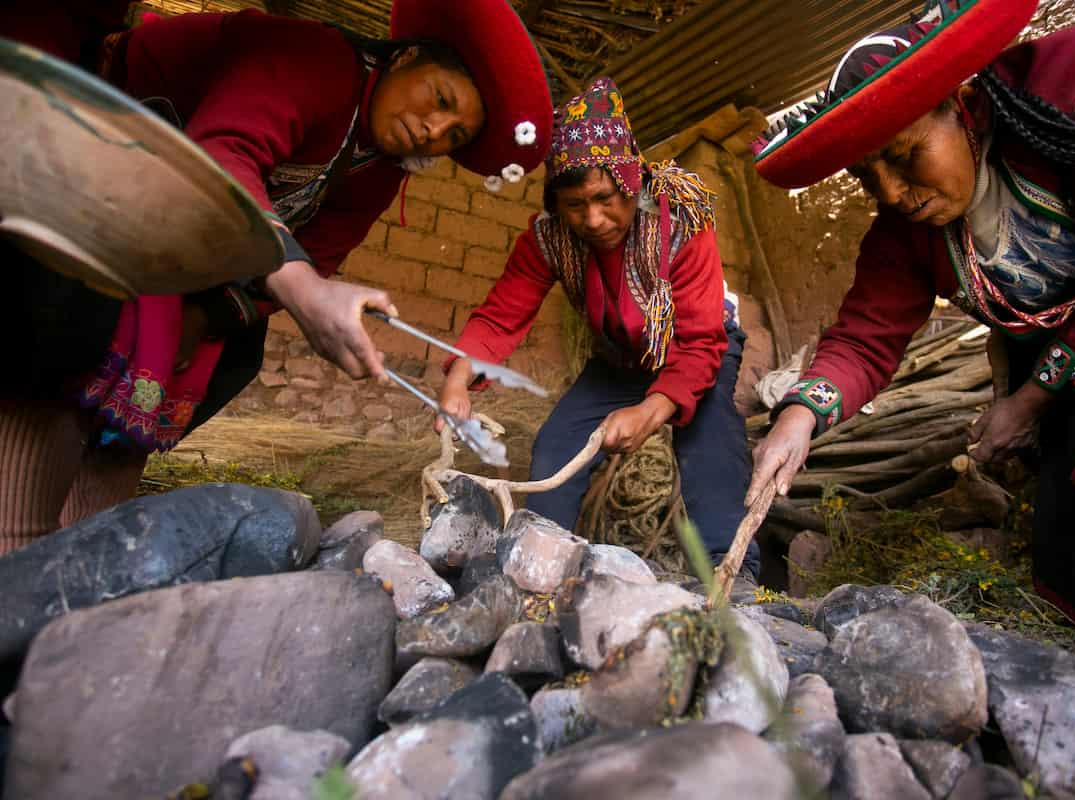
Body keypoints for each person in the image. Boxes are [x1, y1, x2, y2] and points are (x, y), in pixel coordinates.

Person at [0, 0, 553, 554]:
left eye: (453, 137)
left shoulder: (378, 170)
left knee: (227, 352)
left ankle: (80, 555)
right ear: (405, 57)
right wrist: (303, 289)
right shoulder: (315, 58)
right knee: (72, 335)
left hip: (171, 251)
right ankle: (20, 546)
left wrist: (211, 314)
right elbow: (222, 154)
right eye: (440, 100)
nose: (434, 131)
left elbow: (320, 252)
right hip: (87, 175)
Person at [749, 0, 1075, 631]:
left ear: (967, 106)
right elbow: (865, 340)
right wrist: (799, 416)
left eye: (904, 157)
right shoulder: (903, 239)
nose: (894, 194)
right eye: (868, 177)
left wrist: (1028, 403)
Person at [438, 77, 759, 580]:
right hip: (620, 359)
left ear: (631, 179)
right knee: (554, 449)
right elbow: (502, 315)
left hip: (697, 349)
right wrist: (458, 381)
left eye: (607, 197)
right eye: (574, 205)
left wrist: (653, 409)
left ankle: (730, 576)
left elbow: (701, 343)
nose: (593, 218)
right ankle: (541, 573)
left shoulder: (681, 221)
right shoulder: (548, 240)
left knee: (708, 442)